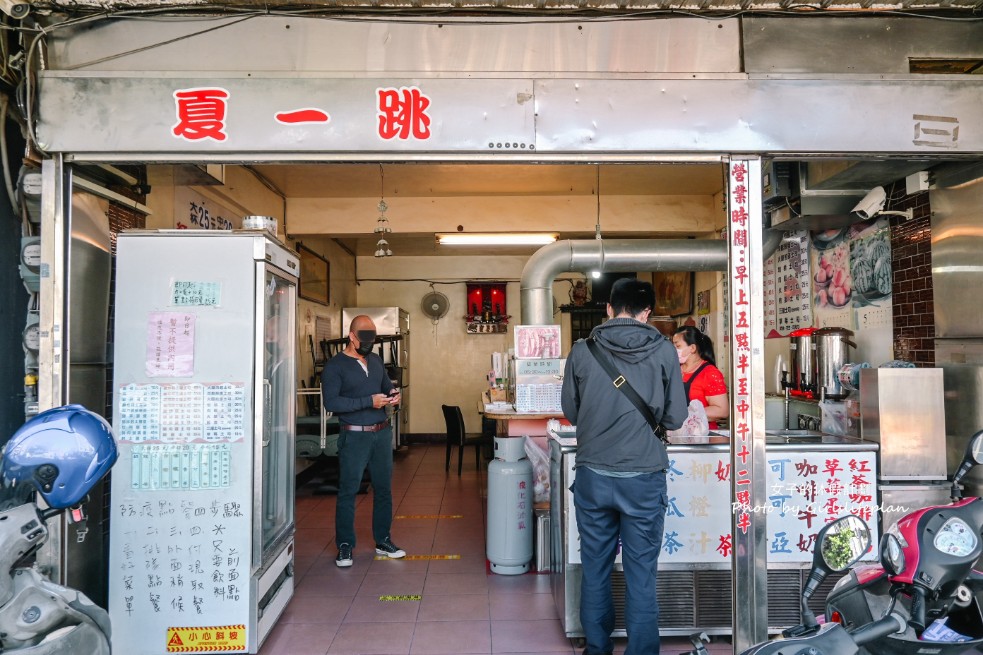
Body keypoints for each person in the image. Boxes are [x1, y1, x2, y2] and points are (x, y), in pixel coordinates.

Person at [561, 278, 688, 655]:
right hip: (644, 478)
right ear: (646, 313)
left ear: (609, 308)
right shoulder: (666, 351)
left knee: (595, 566)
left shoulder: (583, 350)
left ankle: (597, 648)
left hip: (593, 475)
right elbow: (676, 416)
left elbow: (571, 410)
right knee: (640, 573)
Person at [321, 315, 405, 568]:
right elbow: (332, 402)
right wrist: (369, 401)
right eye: (364, 338)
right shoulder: (335, 366)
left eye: (373, 337)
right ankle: (345, 545)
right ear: (352, 336)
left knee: (384, 490)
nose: (369, 343)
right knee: (348, 490)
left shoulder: (376, 361)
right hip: (354, 434)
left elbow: (384, 386)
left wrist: (393, 395)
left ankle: (383, 540)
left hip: (381, 433)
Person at [671, 325, 729, 430]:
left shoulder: (710, 373)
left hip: (702, 437)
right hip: (675, 434)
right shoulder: (673, 369)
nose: (673, 349)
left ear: (692, 348)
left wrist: (686, 414)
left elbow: (722, 410)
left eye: (677, 346)